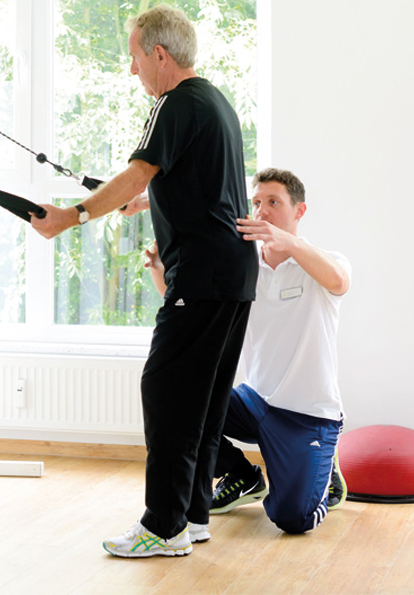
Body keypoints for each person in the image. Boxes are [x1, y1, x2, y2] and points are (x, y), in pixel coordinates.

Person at [30, 5, 258, 558]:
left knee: (168, 392)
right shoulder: (213, 101)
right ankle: (193, 516)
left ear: (159, 54)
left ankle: (163, 526)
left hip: (201, 274)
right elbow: (186, 181)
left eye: (135, 58)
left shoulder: (174, 102)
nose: (133, 71)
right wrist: (146, 200)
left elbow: (140, 169)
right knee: (201, 399)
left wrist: (70, 217)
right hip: (233, 272)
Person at [144, 168, 351, 535]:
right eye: (256, 203)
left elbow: (339, 281)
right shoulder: (244, 268)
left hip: (308, 415)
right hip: (255, 403)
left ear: (299, 211)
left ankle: (323, 468)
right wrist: (161, 271)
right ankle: (242, 474)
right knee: (181, 399)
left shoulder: (321, 261)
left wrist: (287, 243)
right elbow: (196, 309)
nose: (262, 211)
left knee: (294, 520)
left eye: (273, 202)